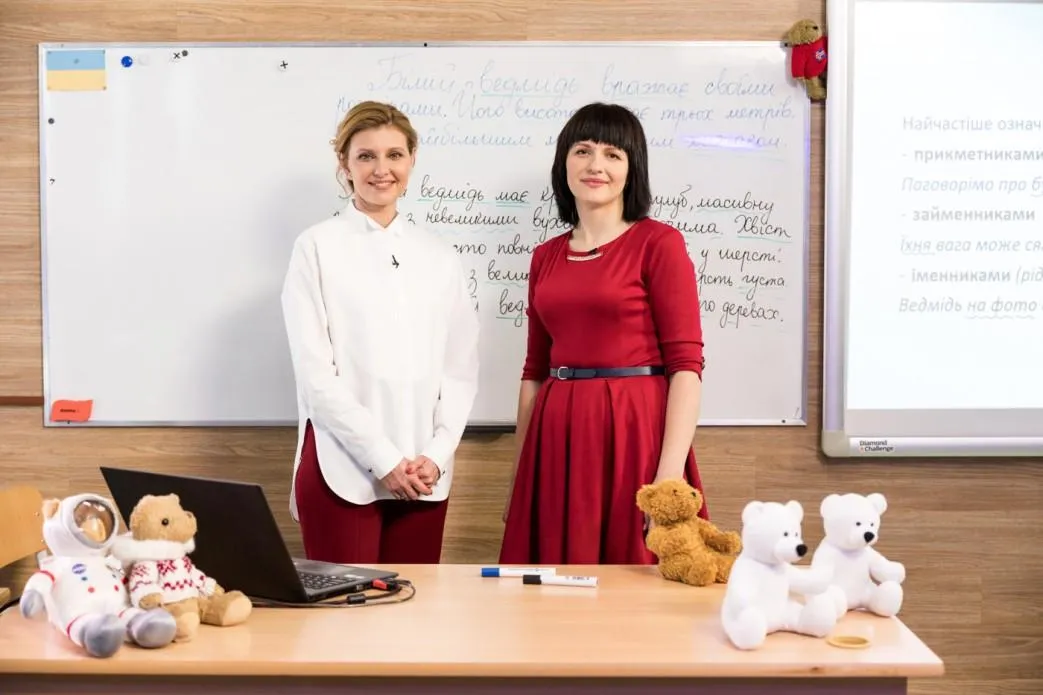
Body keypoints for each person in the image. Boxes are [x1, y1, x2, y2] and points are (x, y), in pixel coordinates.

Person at [499, 102, 709, 565]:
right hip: (556, 438)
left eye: (613, 154)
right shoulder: (544, 256)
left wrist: (668, 480)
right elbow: (534, 372)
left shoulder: (659, 243)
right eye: (583, 150)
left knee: (635, 582)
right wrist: (518, 480)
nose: (596, 165)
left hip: (634, 433)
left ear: (632, 169)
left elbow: (686, 368)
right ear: (564, 163)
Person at [281, 100, 480, 565]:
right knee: (344, 608)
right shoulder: (316, 247)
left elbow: (460, 371)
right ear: (344, 164)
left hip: (425, 472)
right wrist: (383, 458)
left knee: (416, 606)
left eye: (394, 155)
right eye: (366, 156)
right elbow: (315, 377)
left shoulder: (440, 256)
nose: (381, 169)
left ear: (412, 160)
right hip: (341, 466)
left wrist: (436, 454)